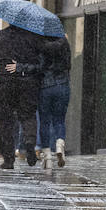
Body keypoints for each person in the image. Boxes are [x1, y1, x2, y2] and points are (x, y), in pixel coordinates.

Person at [0, 23, 45, 168]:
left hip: (4, 83)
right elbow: (40, 64)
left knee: (5, 122)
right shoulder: (33, 38)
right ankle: (30, 144)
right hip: (27, 84)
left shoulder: (0, 36)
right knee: (28, 116)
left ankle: (8, 159)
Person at [38, 35, 72, 167]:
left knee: (45, 121)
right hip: (62, 85)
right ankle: (59, 144)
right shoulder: (64, 43)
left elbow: (39, 67)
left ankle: (47, 156)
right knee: (59, 119)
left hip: (45, 87)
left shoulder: (41, 43)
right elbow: (69, 65)